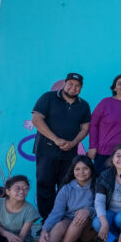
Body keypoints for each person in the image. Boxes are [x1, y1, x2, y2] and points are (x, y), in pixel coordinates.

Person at [14, 156, 97, 242]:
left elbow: (104, 207)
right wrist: (45, 230)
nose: (81, 172)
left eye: (85, 168)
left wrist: (89, 211)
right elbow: (56, 213)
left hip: (89, 228)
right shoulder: (66, 189)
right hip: (69, 227)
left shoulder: (97, 185)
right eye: (77, 169)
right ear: (73, 171)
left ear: (91, 170)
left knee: (78, 218)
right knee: (59, 224)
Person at [31, 72, 92, 219]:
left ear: (81, 88)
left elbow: (85, 128)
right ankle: (47, 220)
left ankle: (61, 220)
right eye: (71, 84)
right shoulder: (48, 97)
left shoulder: (83, 105)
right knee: (45, 185)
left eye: (77, 86)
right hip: (46, 151)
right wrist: (56, 139)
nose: (73, 88)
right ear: (65, 84)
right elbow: (36, 119)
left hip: (69, 153)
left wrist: (74, 143)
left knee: (66, 187)